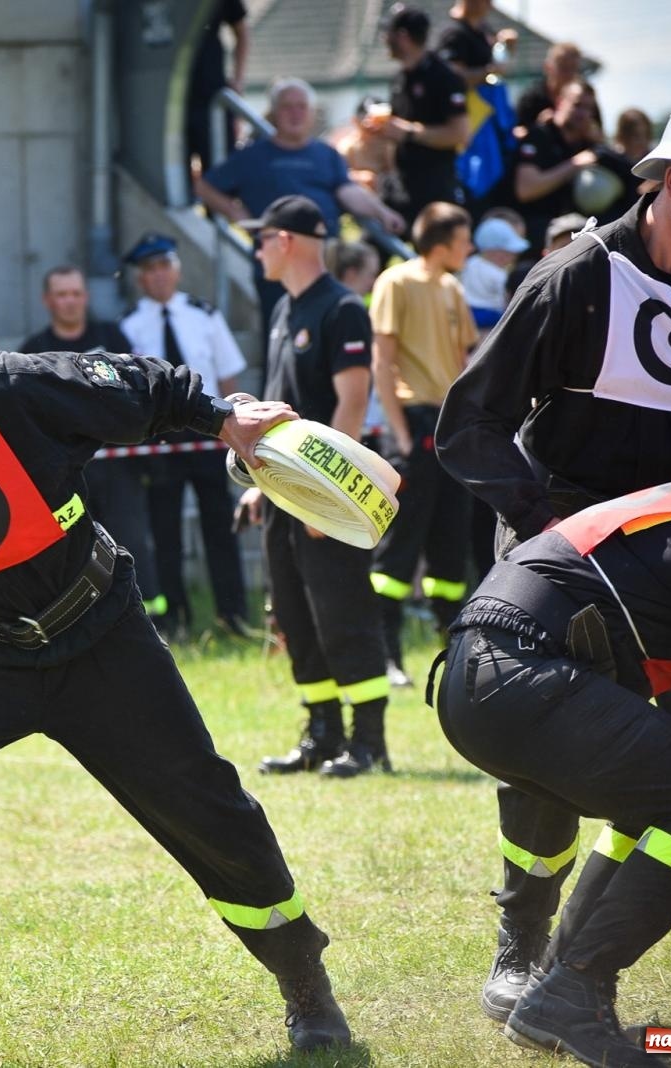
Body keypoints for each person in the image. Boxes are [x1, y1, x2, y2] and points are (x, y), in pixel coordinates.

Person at [0, 287, 351, 1058]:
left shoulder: (11, 393)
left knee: (210, 814)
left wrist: (225, 419)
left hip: (101, 637)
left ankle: (305, 987)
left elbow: (136, 384)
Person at [435, 77, 671, 1029]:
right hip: (558, 540)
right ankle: (526, 948)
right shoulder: (571, 278)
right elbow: (468, 425)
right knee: (546, 764)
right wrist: (542, 527)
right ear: (667, 182)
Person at [434, 442, 671, 1065]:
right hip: (522, 678)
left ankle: (560, 989)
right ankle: (571, 989)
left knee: (668, 804)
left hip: (477, 683)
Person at [234, 196, 390, 779]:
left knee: (341, 610)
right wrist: (259, 485)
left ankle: (368, 741)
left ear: (288, 240)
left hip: (323, 497)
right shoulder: (283, 310)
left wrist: (331, 496)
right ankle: (321, 732)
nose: (256, 249)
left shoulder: (342, 308)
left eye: (262, 237)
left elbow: (350, 404)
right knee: (295, 614)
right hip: (283, 493)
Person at [119, 233, 253, 639]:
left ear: (176, 270)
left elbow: (228, 375)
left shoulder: (204, 315)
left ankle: (232, 615)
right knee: (165, 531)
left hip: (211, 435)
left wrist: (236, 426)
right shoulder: (128, 326)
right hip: (161, 440)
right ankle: (174, 617)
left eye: (164, 266)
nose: (158, 276)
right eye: (150, 270)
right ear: (140, 279)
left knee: (221, 527)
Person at [369, 201, 477, 687]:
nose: (469, 246)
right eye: (463, 237)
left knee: (449, 544)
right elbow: (383, 362)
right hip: (414, 423)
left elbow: (462, 360)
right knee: (399, 546)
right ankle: (386, 654)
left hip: (448, 424)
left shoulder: (453, 287)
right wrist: (401, 431)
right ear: (441, 240)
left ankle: (452, 650)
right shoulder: (396, 282)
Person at [198, 78, 406, 328]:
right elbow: (204, 186)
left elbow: (347, 190)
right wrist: (238, 214)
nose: (295, 113)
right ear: (274, 113)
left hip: (325, 260)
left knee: (328, 329)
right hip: (278, 263)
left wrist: (382, 213)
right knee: (282, 332)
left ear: (310, 113)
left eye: (301, 106)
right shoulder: (251, 156)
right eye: (287, 107)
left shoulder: (326, 154)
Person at [22, 265, 162, 617]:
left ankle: (151, 619)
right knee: (71, 552)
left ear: (85, 297)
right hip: (63, 475)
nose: (69, 302)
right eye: (61, 294)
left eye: (75, 293)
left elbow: (135, 391)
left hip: (118, 466)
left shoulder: (112, 339)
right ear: (47, 300)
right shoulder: (34, 351)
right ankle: (82, 623)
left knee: (131, 543)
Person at [377, 4, 469, 223]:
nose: (384, 39)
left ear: (402, 36)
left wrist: (409, 132)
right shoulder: (400, 77)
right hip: (401, 184)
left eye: (387, 33)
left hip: (434, 187)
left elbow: (459, 134)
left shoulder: (443, 76)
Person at [513, 81, 626, 254]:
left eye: (589, 109)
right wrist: (574, 165)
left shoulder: (590, 144)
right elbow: (526, 189)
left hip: (577, 233)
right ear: (560, 102)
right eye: (577, 105)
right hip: (538, 234)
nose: (583, 113)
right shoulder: (539, 135)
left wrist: (600, 143)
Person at [184, 0, 249, 191]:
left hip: (210, 96)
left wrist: (237, 80)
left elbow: (242, 30)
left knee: (220, 177)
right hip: (168, 98)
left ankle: (217, 219)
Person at [462, 213, 530, 329]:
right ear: (496, 253)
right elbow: (505, 301)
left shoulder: (469, 262)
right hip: (489, 317)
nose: (512, 258)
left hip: (465, 313)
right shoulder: (499, 275)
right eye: (509, 253)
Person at [434, 0, 517, 88]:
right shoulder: (454, 33)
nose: (490, 5)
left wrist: (506, 45)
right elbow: (453, 77)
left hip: (484, 98)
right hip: (465, 99)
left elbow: (497, 61)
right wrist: (489, 72)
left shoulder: (483, 28)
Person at [513, 42, 584, 134]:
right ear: (547, 67)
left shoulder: (584, 100)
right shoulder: (531, 100)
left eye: (573, 68)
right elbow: (517, 133)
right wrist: (539, 127)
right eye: (563, 68)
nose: (569, 74)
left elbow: (599, 140)